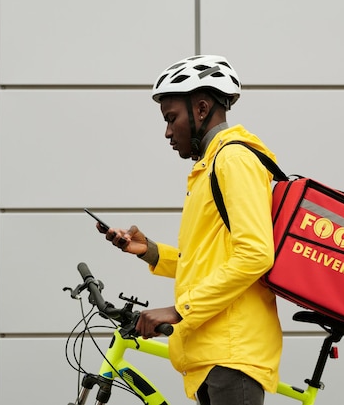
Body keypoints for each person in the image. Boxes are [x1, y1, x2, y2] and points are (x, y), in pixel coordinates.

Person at [101, 55, 282, 405]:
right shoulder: (211, 165)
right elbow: (209, 260)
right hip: (213, 353)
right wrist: (151, 251)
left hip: (232, 354)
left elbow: (256, 254)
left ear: (201, 108)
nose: (168, 131)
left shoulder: (234, 160)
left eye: (172, 118)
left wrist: (179, 310)